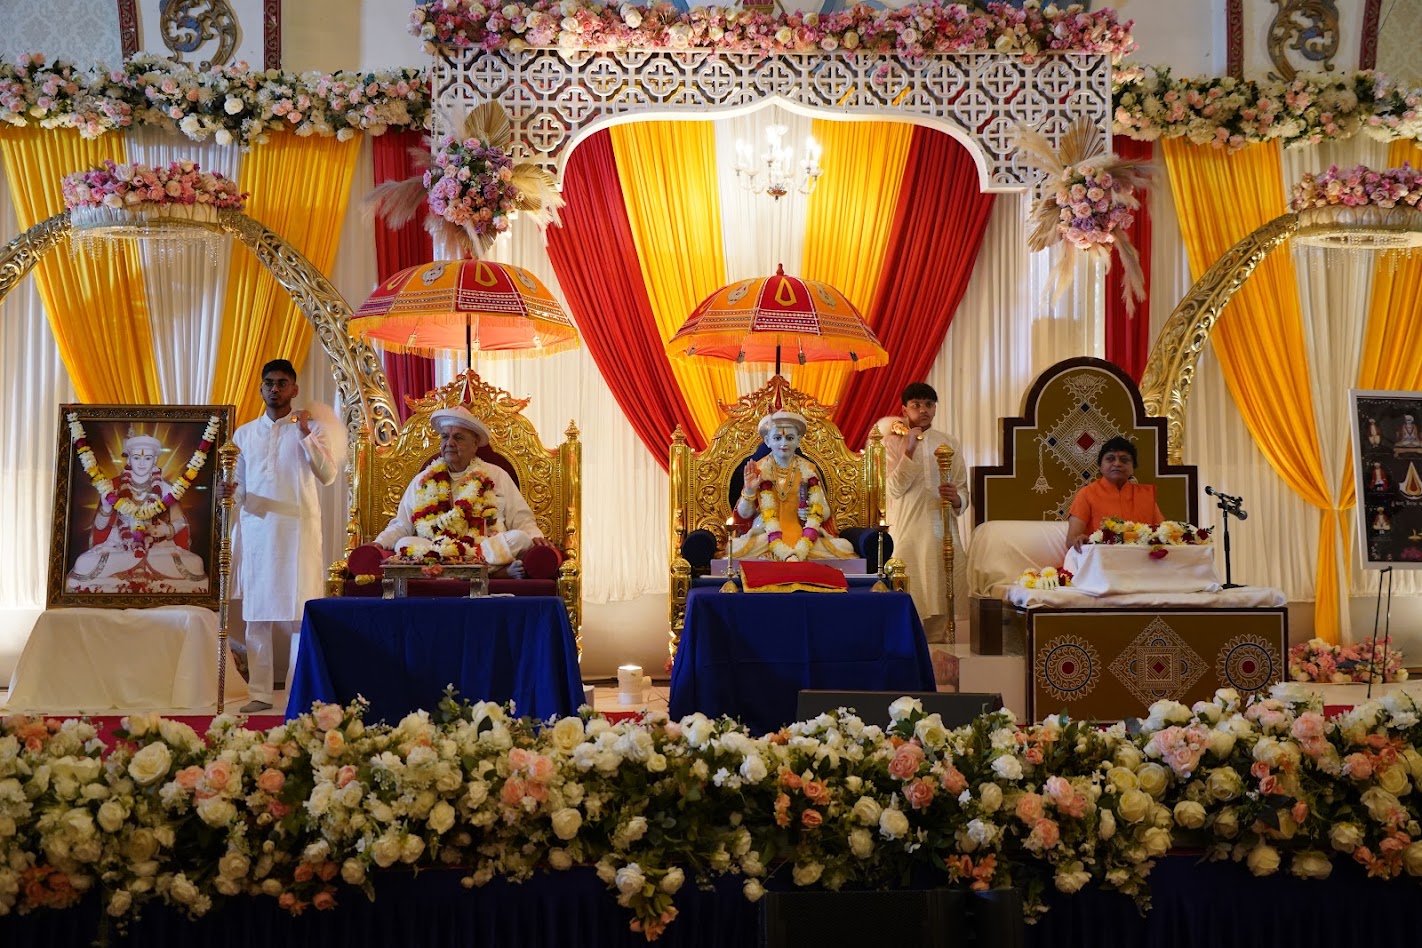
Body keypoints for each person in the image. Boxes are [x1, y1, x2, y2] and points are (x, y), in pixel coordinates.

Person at [223, 359, 338, 713]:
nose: (275, 389)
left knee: (299, 615)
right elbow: (239, 489)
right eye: (269, 383)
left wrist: (305, 435)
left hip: (298, 532)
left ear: (294, 389)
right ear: (261, 388)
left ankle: (295, 692)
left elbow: (328, 475)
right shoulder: (243, 434)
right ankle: (259, 693)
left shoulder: (312, 429)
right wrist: (226, 494)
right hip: (258, 533)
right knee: (257, 615)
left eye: (282, 383)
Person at [373, 405, 552, 566]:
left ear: (475, 445)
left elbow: (521, 519)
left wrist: (535, 536)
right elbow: (401, 525)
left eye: (458, 437)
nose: (450, 442)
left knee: (520, 539)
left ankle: (457, 567)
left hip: (483, 546)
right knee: (403, 543)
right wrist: (379, 542)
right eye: (445, 436)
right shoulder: (423, 480)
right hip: (438, 547)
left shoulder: (497, 475)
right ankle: (488, 569)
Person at [874, 383, 969, 644]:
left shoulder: (948, 442)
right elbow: (893, 489)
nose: (923, 410)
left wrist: (957, 497)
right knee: (911, 590)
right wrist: (910, 448)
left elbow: (962, 485)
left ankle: (941, 660)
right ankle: (909, 652)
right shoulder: (890, 441)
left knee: (942, 590)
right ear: (904, 409)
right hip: (907, 529)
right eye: (916, 405)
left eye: (929, 404)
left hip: (942, 530)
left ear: (935, 408)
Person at [67, 429, 208, 593]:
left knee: (195, 563)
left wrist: (166, 529)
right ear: (129, 459)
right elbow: (100, 526)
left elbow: (180, 521)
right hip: (120, 546)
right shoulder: (113, 487)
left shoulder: (166, 488)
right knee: (84, 562)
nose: (142, 463)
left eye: (147, 458)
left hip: (158, 548)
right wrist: (106, 507)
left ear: (155, 459)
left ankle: (127, 577)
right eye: (136, 458)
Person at [730, 410, 854, 562]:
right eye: (777, 438)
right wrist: (749, 490)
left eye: (789, 438)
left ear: (798, 440)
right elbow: (744, 515)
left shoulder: (808, 470)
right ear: (767, 441)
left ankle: (786, 557)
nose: (784, 444)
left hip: (803, 533)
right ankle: (786, 556)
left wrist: (811, 512)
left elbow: (826, 512)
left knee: (846, 546)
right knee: (731, 549)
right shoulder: (758, 470)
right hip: (766, 534)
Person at [1065, 436, 1165, 551]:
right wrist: (1081, 540)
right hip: (1102, 562)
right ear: (1100, 467)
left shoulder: (1146, 495)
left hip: (1141, 561)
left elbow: (1162, 533)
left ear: (1133, 468)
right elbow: (1071, 540)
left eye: (1124, 460)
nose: (1117, 464)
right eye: (1110, 459)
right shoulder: (1087, 494)